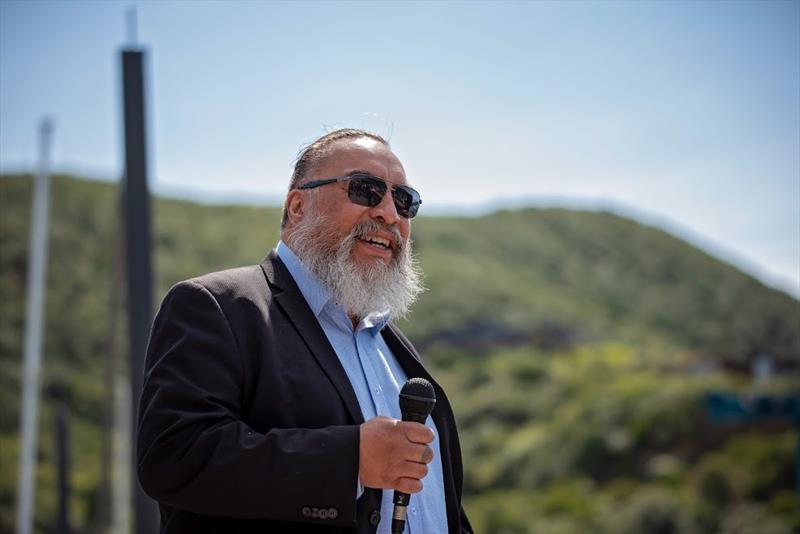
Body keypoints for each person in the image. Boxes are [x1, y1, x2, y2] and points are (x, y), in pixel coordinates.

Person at [137, 129, 473, 533]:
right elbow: (173, 457)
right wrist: (350, 461)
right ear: (298, 205)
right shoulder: (217, 306)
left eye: (404, 201)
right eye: (366, 190)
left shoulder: (390, 344)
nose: (389, 213)